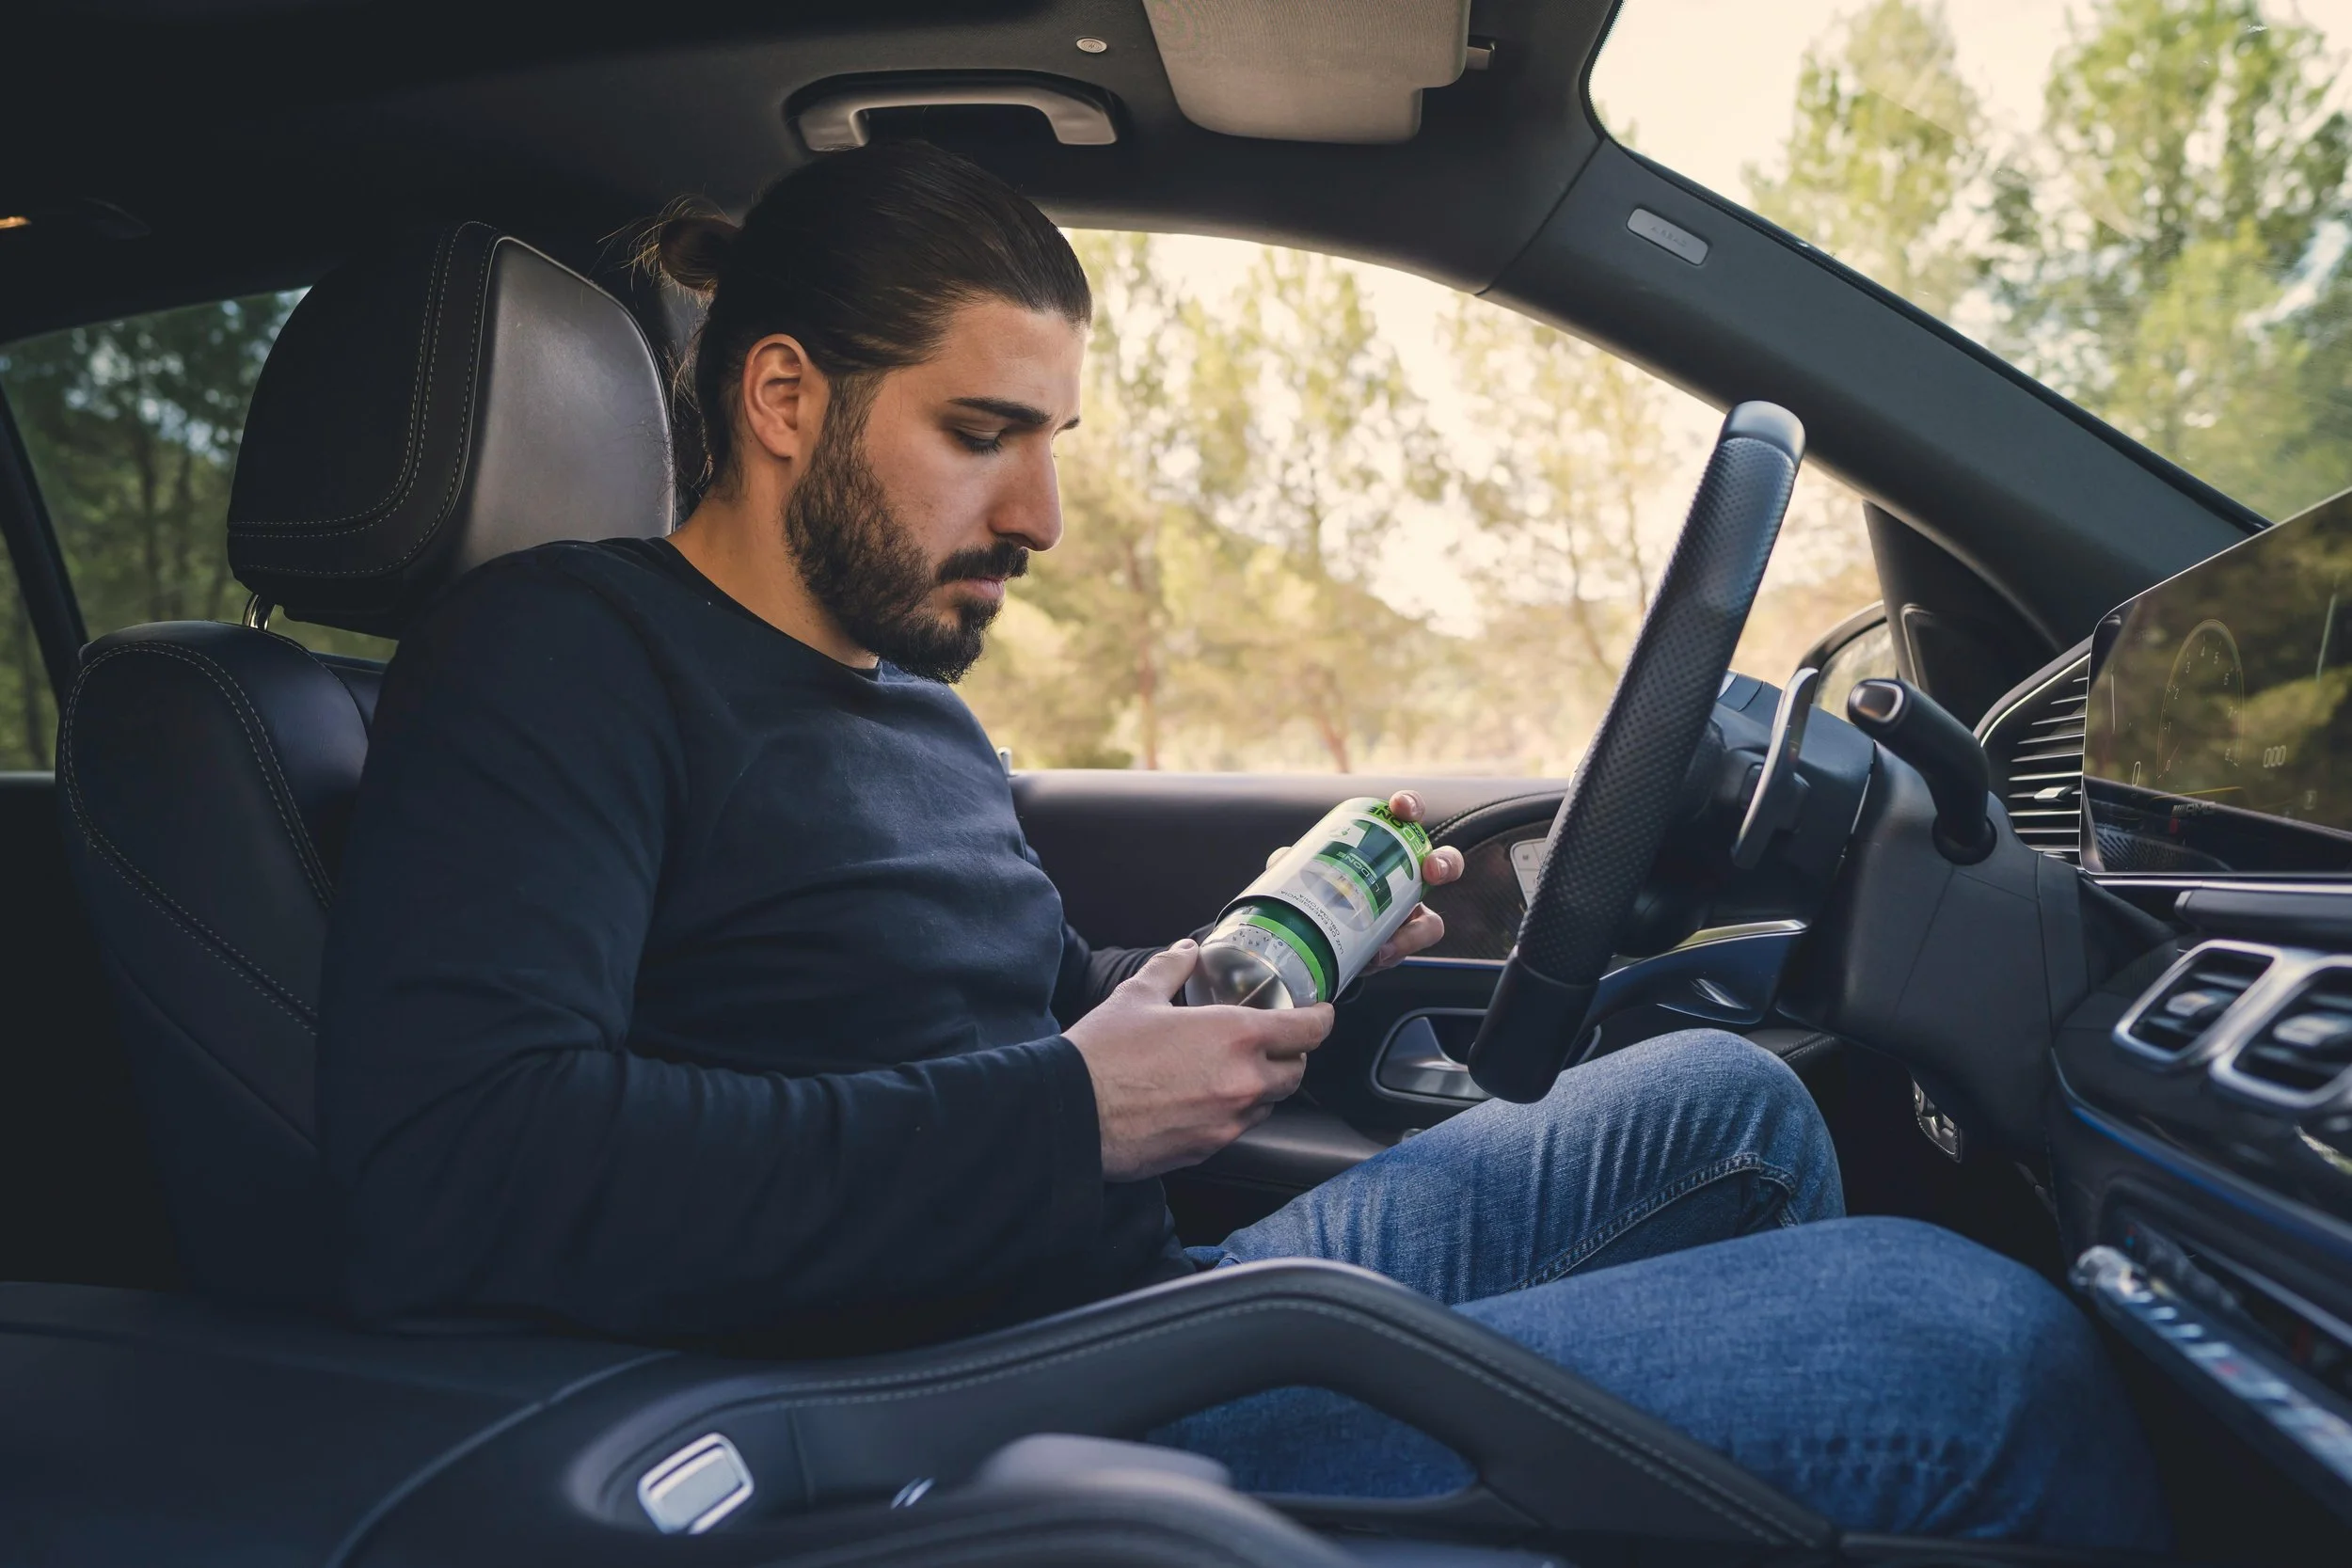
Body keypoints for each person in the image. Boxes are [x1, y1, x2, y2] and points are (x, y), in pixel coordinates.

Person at [318, 141, 2164, 1547]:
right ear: (785, 399)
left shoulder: (912, 708)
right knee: (1969, 1348)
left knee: (1719, 1097)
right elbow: (457, 1162)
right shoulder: (554, 660)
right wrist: (1068, 1108)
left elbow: (992, 1028)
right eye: (981, 435)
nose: (1038, 510)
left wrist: (1179, 1002)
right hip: (948, 1415)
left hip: (1135, 1303)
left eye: (1050, 438)